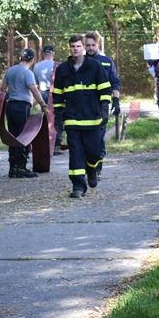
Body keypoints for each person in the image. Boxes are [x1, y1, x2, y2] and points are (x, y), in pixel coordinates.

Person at [52, 34, 110, 198]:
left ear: (83, 48)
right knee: (76, 153)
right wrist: (58, 117)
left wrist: (104, 109)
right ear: (69, 48)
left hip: (93, 119)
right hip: (72, 119)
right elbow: (58, 95)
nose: (75, 49)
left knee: (94, 152)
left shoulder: (95, 66)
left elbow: (105, 90)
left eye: (78, 46)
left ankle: (91, 169)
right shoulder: (62, 70)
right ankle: (78, 186)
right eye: (73, 46)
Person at [2, 48, 48, 178]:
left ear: (20, 58)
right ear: (32, 60)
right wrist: (43, 104)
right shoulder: (28, 73)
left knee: (13, 135)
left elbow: (3, 89)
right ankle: (21, 167)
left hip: (10, 106)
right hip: (22, 106)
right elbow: (34, 90)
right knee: (23, 136)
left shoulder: (10, 70)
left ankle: (13, 167)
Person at [84, 31, 120, 176]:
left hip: (101, 105)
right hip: (84, 105)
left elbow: (115, 81)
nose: (90, 48)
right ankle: (87, 166)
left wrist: (116, 100)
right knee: (85, 138)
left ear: (98, 44)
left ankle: (97, 167)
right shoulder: (80, 61)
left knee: (98, 137)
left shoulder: (106, 61)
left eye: (93, 45)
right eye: (87, 45)